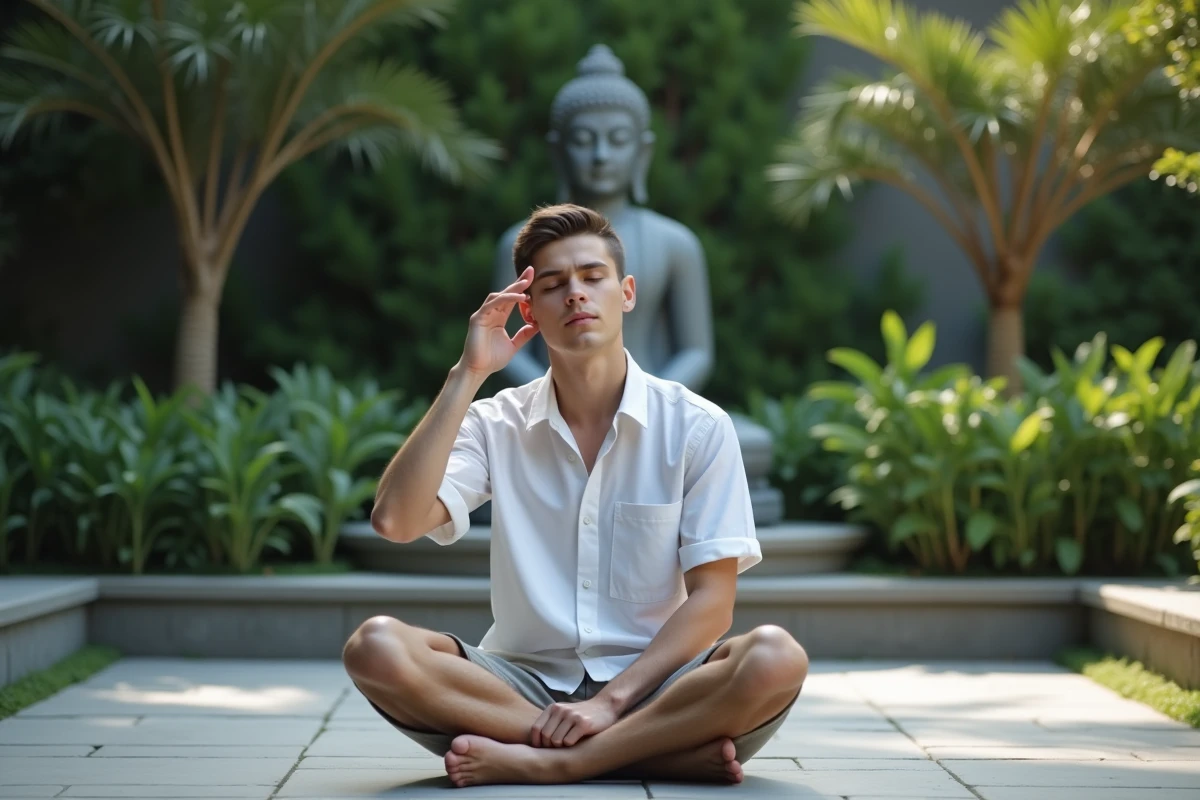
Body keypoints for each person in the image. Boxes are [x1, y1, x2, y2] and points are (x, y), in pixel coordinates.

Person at [343, 204, 808, 788]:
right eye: (553, 285)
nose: (575, 294)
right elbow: (395, 520)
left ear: (627, 293)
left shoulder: (696, 426)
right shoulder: (496, 423)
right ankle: (648, 754)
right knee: (375, 647)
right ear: (529, 310)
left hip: (659, 685)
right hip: (519, 686)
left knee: (775, 657)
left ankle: (564, 761)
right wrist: (468, 372)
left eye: (592, 277)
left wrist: (611, 702)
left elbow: (713, 601)